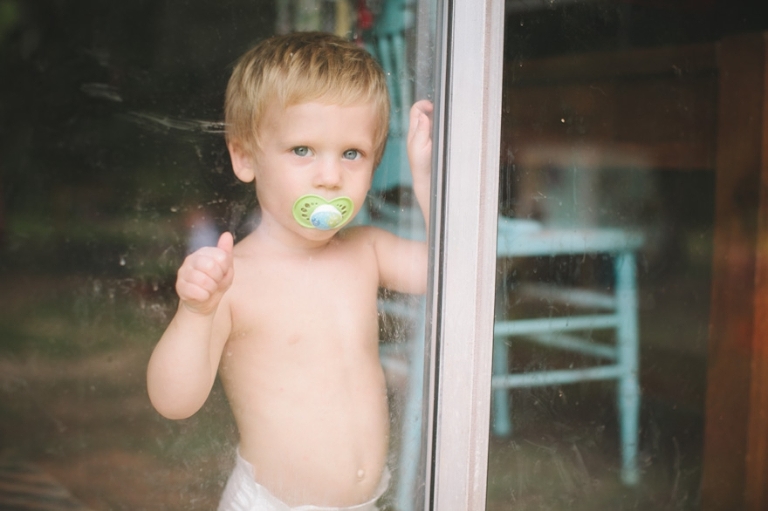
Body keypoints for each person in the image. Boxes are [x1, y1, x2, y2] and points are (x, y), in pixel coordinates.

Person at [146, 31, 433, 511]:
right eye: (302, 150)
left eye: (351, 153)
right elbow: (174, 401)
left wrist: (427, 179)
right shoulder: (234, 279)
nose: (329, 176)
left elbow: (450, 276)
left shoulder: (367, 252)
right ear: (245, 157)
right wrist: (196, 313)